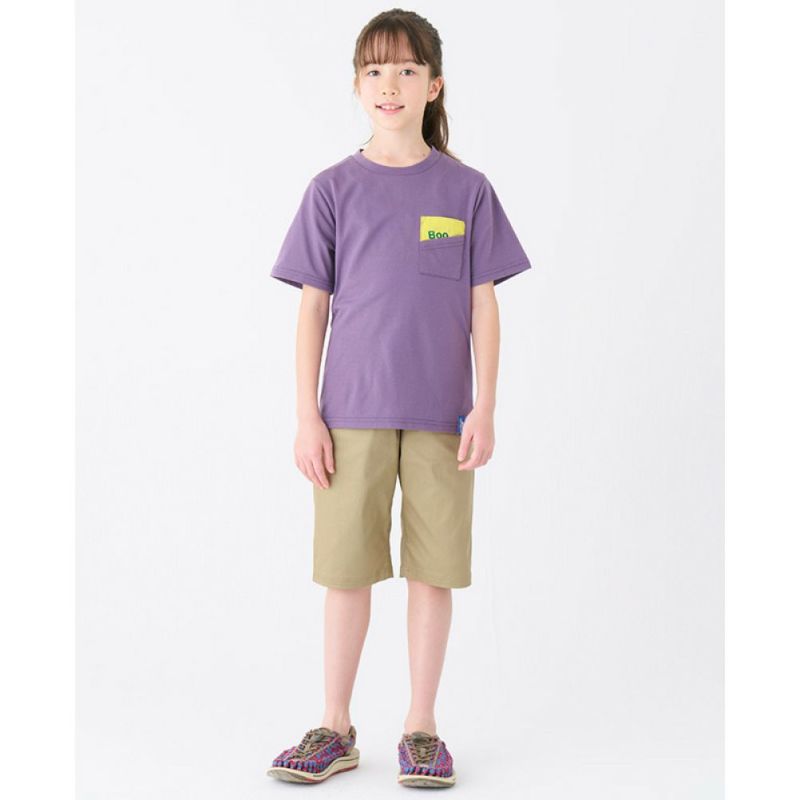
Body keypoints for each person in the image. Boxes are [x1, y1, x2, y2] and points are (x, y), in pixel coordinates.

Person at [265, 8, 532, 789]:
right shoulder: (332, 190)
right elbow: (312, 307)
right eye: (376, 70)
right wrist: (307, 415)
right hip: (348, 414)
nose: (391, 84)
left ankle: (421, 726)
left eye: (408, 70)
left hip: (444, 416)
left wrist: (486, 406)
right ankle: (335, 725)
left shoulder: (466, 191)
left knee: (432, 571)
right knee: (345, 571)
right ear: (357, 85)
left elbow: (483, 302)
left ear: (433, 85)